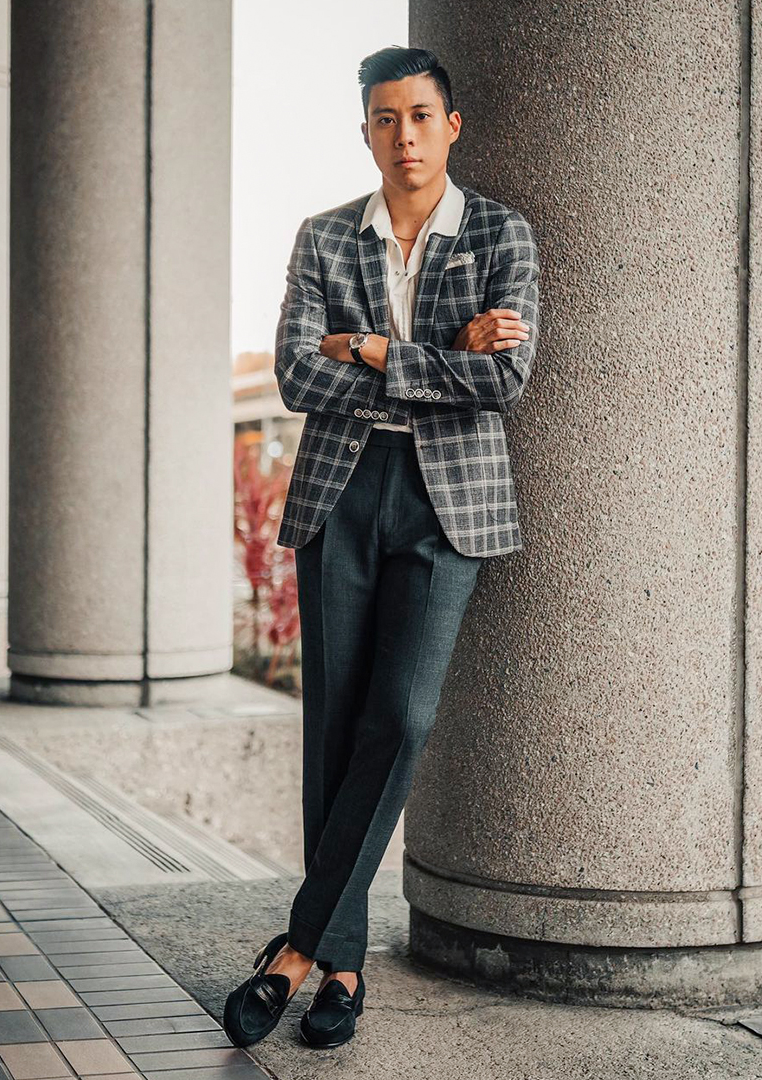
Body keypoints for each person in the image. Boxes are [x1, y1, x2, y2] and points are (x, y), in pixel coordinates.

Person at [223, 43, 539, 1050]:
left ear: (451, 126)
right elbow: (295, 379)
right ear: (364, 130)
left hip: (449, 506)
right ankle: (344, 968)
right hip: (340, 493)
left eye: (418, 116)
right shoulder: (324, 239)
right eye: (382, 118)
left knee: (398, 719)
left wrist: (366, 348)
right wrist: (439, 356)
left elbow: (504, 383)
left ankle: (293, 952)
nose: (401, 135)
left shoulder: (498, 235)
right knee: (335, 730)